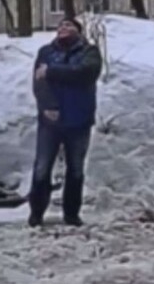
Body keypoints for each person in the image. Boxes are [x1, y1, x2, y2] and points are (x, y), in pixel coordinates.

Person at [28, 17, 102, 228]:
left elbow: (85, 74)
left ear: (78, 31)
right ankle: (36, 213)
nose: (62, 27)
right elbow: (39, 83)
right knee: (42, 167)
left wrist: (52, 71)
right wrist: (48, 107)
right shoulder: (46, 52)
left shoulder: (90, 53)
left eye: (68, 25)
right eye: (60, 25)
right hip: (50, 121)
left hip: (79, 120)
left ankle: (71, 214)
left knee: (76, 169)